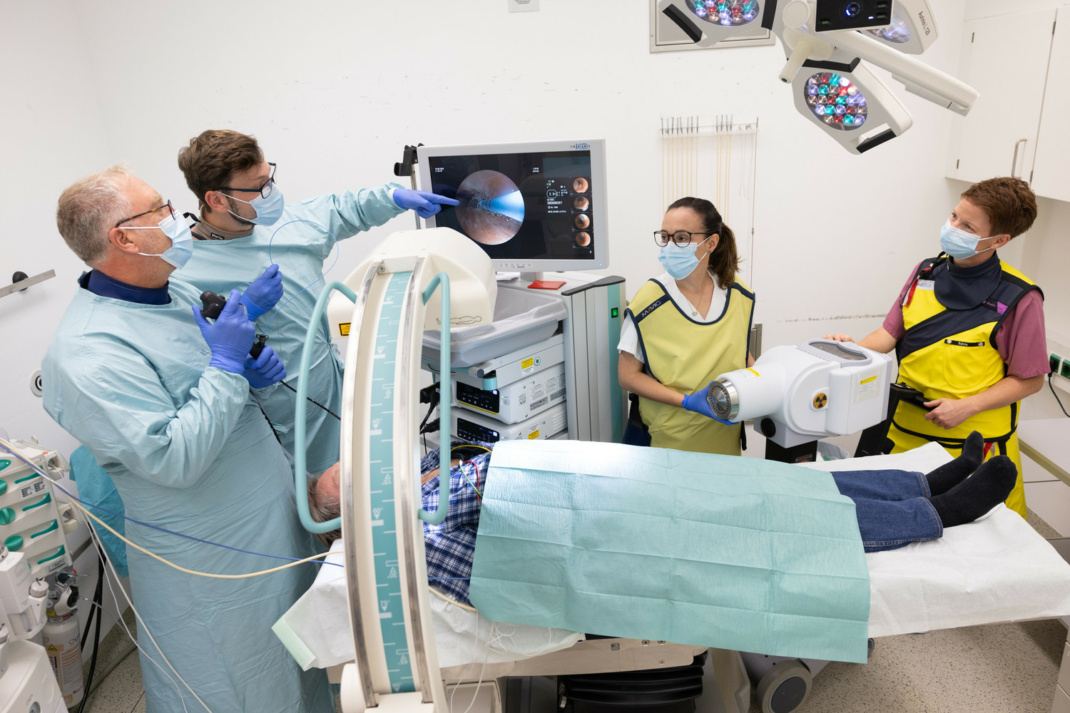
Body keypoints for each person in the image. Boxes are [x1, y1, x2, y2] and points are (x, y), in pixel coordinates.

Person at [42, 166, 331, 713]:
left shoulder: (171, 286)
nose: (179, 218)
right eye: (160, 209)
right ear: (123, 238)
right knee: (237, 683)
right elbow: (175, 460)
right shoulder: (87, 354)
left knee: (299, 664)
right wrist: (228, 367)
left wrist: (247, 365)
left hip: (267, 518)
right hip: (210, 560)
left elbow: (198, 381)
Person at [309, 433, 1016, 608]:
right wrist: (438, 484)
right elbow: (492, 541)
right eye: (372, 477)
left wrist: (432, 470)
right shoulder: (413, 538)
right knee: (766, 519)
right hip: (618, 539)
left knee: (771, 485)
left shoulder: (425, 490)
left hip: (620, 491)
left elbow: (482, 470)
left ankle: (917, 480)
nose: (399, 469)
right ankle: (938, 512)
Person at [176, 130, 459, 477]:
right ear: (217, 200)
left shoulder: (289, 224)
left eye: (270, 179)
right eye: (258, 187)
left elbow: (345, 208)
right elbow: (187, 356)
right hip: (280, 415)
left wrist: (395, 197)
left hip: (335, 388)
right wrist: (247, 311)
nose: (271, 193)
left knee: (363, 477)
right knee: (314, 503)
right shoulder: (186, 270)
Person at [827, 177, 1048, 519]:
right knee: (891, 527)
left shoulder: (1019, 297)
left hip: (973, 448)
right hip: (903, 437)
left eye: (968, 225)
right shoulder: (926, 272)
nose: (953, 227)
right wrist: (851, 351)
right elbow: (888, 335)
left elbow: (1030, 379)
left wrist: (966, 407)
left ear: (1000, 240)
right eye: (955, 216)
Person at [618, 197, 755, 455]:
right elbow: (627, 375)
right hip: (668, 442)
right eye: (666, 237)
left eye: (681, 238)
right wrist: (687, 402)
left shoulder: (737, 293)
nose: (670, 246)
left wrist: (767, 383)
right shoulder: (649, 301)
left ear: (711, 242)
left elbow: (741, 354)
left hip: (724, 437)